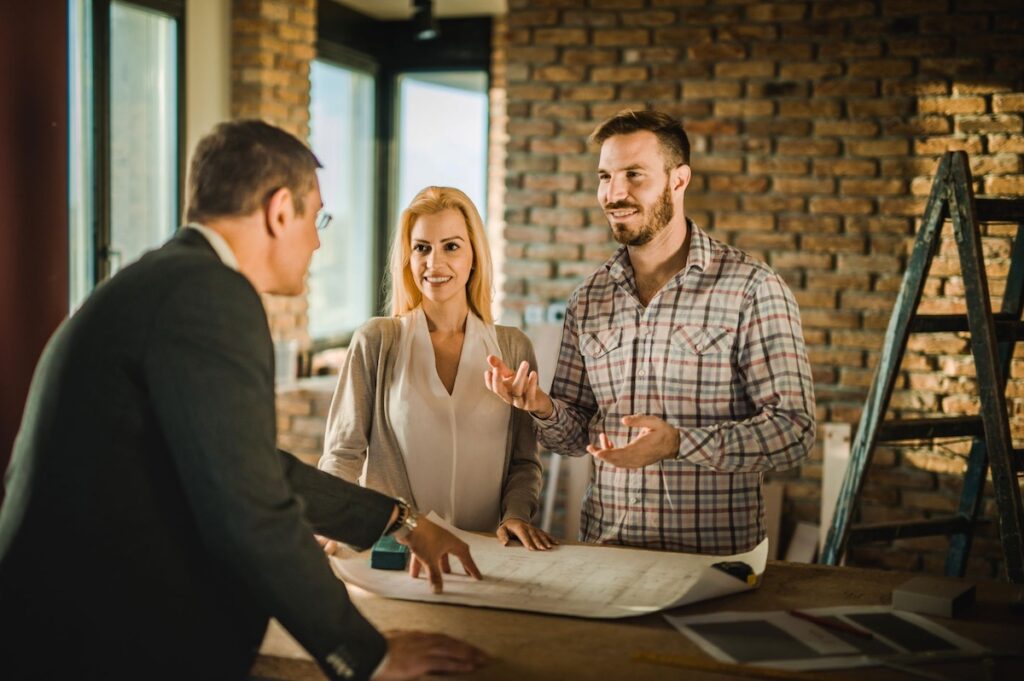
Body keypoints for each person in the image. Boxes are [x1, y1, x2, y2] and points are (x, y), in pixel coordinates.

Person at [0, 121, 487, 681]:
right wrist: (367, 652)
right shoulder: (211, 299)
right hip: (90, 642)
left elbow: (250, 467)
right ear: (281, 211)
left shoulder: (168, 281)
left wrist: (398, 522)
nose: (318, 241)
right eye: (316, 218)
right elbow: (251, 510)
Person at [485, 109, 816, 555]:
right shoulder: (589, 299)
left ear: (679, 180)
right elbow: (574, 437)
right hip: (606, 553)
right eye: (605, 176)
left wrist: (679, 443)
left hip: (712, 564)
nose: (614, 193)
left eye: (634, 175)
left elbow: (793, 430)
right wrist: (540, 406)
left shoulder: (752, 288)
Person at [319, 187, 554, 551]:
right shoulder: (376, 341)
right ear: (408, 258)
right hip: (400, 552)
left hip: (490, 553)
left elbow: (524, 463)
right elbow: (342, 455)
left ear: (474, 255)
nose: (434, 263)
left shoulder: (513, 346)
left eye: (451, 246)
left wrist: (516, 516)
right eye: (422, 248)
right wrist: (329, 520)